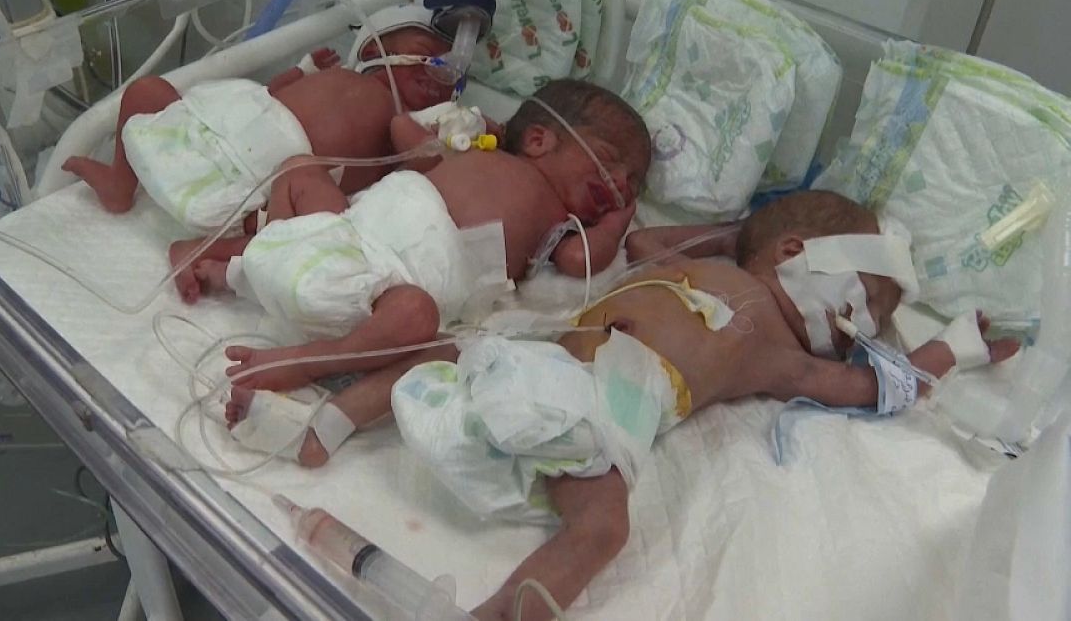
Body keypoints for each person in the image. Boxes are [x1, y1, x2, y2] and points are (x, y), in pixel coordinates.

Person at [254, 190, 1019, 620]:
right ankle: (336, 415)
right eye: (865, 302)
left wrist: (951, 349)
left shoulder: (777, 355)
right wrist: (739, 231)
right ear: (794, 255)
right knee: (463, 352)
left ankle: (500, 608)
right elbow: (646, 241)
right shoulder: (711, 274)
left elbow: (872, 387)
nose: (861, 332)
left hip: (599, 403)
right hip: (553, 361)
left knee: (600, 519)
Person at [210, 79, 652, 441]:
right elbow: (403, 132)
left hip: (391, 291)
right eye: (609, 162)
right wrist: (454, 125)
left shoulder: (559, 221)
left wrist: (617, 220)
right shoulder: (475, 151)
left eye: (631, 187)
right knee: (299, 168)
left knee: (425, 323)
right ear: (538, 140)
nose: (619, 185)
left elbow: (580, 259)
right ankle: (252, 262)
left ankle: (309, 364)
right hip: (345, 234)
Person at [61, 5, 457, 299]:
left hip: (262, 188)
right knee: (145, 91)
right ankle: (120, 183)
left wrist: (442, 133)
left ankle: (209, 253)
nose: (439, 72)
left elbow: (418, 169)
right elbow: (271, 93)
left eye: (451, 74)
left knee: (307, 230)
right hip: (213, 134)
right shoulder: (340, 77)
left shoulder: (405, 123)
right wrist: (301, 70)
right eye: (427, 55)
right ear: (373, 51)